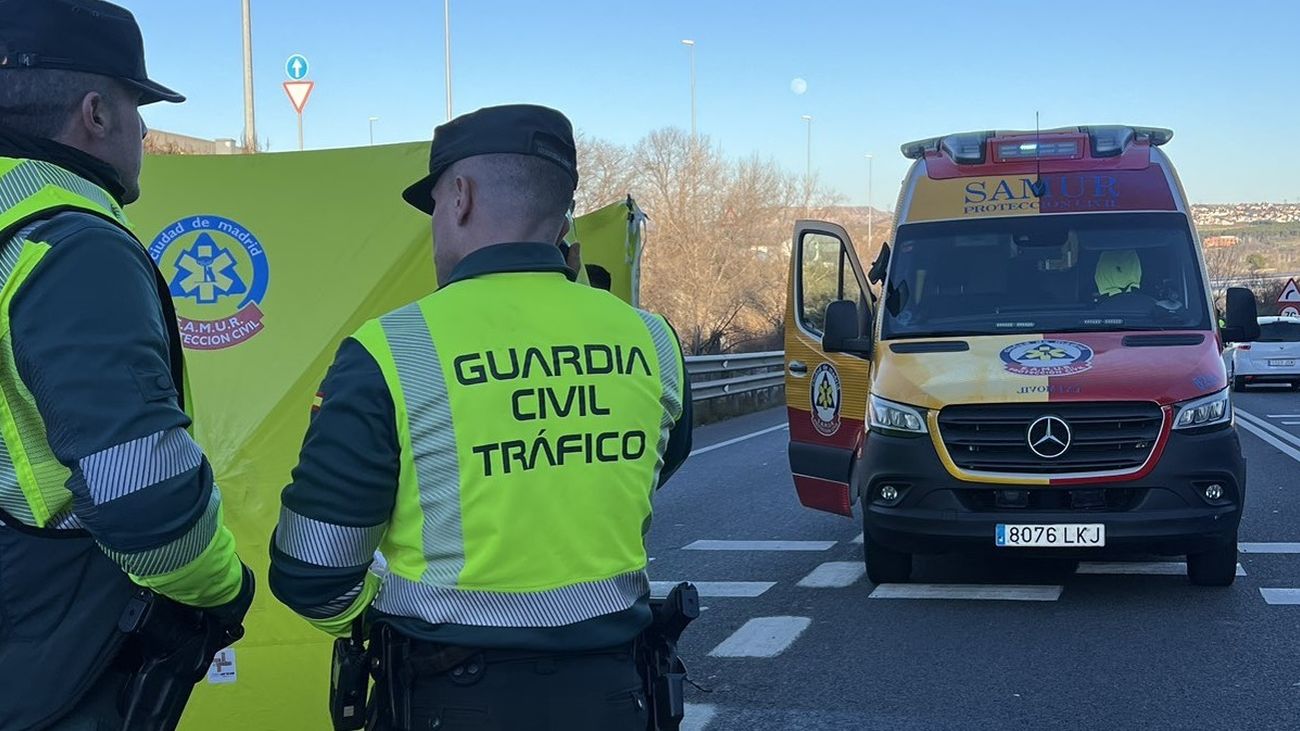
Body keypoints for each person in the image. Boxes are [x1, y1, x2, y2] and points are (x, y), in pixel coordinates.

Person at [268, 104, 692, 730]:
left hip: (450, 698)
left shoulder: (392, 350)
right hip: (617, 695)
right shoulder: (652, 341)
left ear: (460, 197)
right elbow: (650, 467)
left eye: (435, 205)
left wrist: (379, 610)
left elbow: (312, 571)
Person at [0, 2, 254, 728]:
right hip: (49, 662)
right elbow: (143, 495)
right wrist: (223, 588)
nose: (144, 130)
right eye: (136, 105)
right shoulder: (66, 239)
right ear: (95, 114)